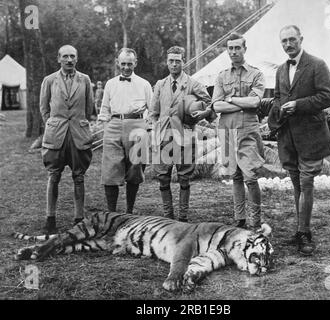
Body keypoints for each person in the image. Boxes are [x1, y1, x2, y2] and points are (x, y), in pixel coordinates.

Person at [268, 25, 330, 255]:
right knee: (297, 184)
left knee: (306, 184)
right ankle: (300, 230)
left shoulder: (317, 64)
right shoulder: (280, 70)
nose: (288, 44)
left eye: (292, 40)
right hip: (289, 138)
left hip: (311, 137)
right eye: (284, 41)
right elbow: (277, 98)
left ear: (301, 39)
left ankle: (305, 233)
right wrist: (280, 111)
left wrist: (299, 105)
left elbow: (328, 97)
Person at [150, 46, 214, 222]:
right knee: (163, 178)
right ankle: (168, 216)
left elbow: (210, 104)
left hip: (185, 136)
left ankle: (183, 218)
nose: (174, 64)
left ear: (183, 61)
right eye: (171, 60)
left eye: (177, 60)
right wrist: (154, 130)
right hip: (163, 137)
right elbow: (153, 112)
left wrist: (201, 114)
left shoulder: (193, 84)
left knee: (184, 178)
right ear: (167, 62)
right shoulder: (160, 85)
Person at [212, 32, 265, 231]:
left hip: (248, 130)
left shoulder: (256, 74)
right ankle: (240, 218)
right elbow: (216, 106)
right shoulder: (221, 76)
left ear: (244, 49)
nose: (233, 52)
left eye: (237, 48)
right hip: (227, 130)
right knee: (235, 175)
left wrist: (231, 99)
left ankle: (255, 221)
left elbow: (255, 101)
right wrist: (241, 105)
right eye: (230, 48)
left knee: (250, 176)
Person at [39, 45, 94, 234]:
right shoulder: (49, 80)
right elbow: (44, 108)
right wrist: (54, 125)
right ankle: (50, 218)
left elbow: (89, 108)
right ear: (59, 58)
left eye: (72, 56)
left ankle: (79, 218)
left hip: (78, 134)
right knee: (53, 176)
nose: (69, 60)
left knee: (79, 177)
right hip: (56, 135)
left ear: (77, 59)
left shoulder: (85, 80)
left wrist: (78, 125)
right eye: (65, 57)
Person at [98, 48, 153, 213]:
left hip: (137, 125)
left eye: (130, 64)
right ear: (118, 63)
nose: (126, 68)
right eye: (123, 64)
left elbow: (152, 110)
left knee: (135, 169)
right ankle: (112, 213)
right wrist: (103, 126)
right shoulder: (110, 84)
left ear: (135, 63)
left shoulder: (144, 84)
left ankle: (129, 211)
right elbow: (104, 109)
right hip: (114, 125)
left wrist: (149, 130)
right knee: (110, 170)